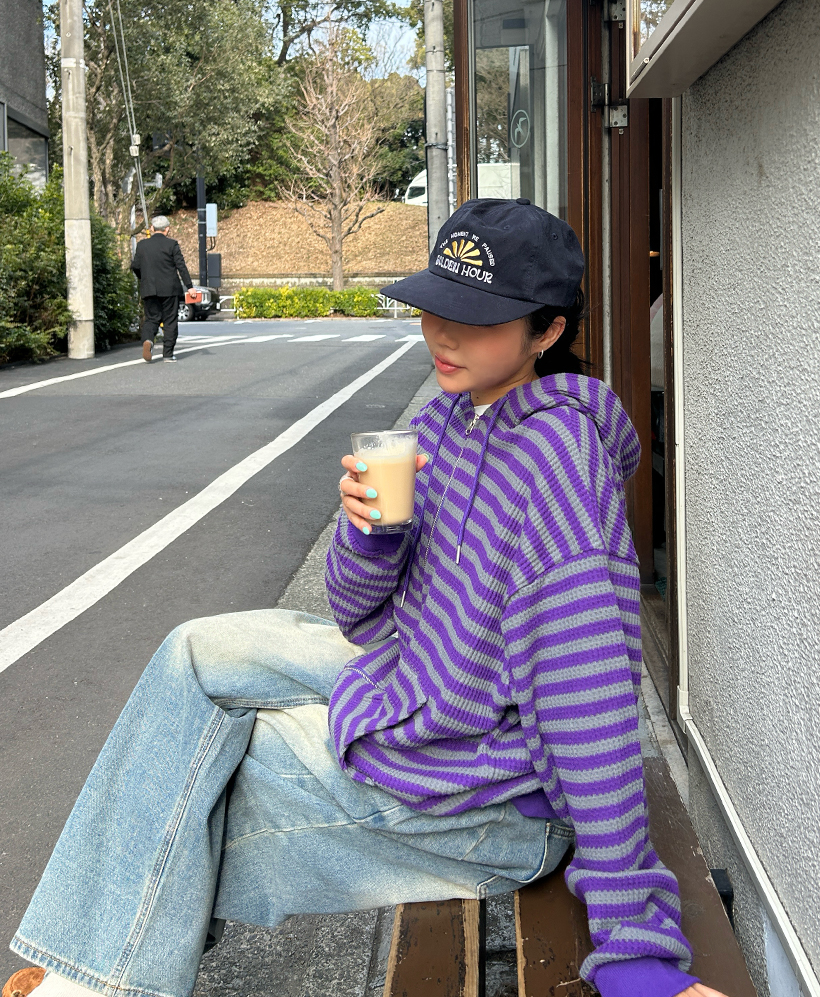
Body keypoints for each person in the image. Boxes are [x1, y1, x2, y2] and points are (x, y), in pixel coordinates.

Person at [5, 200, 731, 997]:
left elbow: (587, 700)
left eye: (478, 318)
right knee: (195, 653)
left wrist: (634, 946)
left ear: (547, 332)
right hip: (421, 682)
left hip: (497, 798)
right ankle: (102, 963)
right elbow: (358, 613)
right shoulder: (450, 418)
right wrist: (372, 536)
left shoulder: (557, 464)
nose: (444, 335)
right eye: (436, 308)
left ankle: (94, 981)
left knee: (212, 773)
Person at [131, 215, 193, 363]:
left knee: (151, 319)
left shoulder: (142, 245)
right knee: (170, 321)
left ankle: (148, 340)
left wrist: (143, 278)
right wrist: (189, 286)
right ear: (167, 229)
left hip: (149, 288)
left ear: (152, 228)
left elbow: (135, 266)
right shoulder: (172, 244)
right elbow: (181, 266)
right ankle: (168, 354)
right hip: (170, 289)